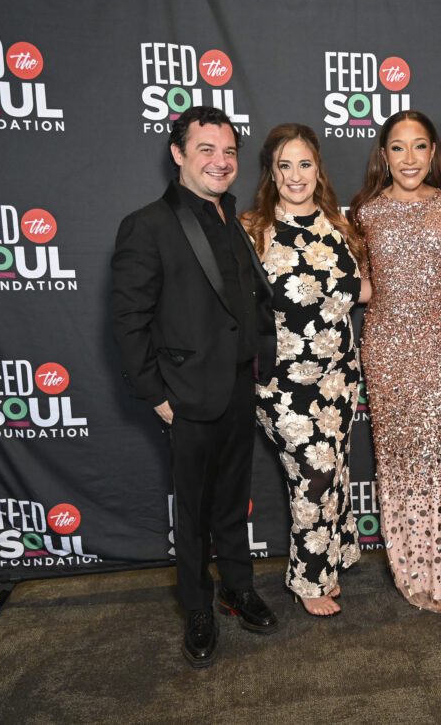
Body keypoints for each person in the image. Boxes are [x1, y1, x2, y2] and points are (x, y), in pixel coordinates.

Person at [109, 106, 278, 668]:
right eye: (206, 149)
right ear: (178, 154)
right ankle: (197, 605)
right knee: (194, 511)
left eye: (228, 151)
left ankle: (237, 587)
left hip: (238, 385)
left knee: (232, 500)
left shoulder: (236, 220)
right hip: (184, 394)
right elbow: (129, 321)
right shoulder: (148, 224)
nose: (220, 161)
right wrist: (158, 396)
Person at [349, 110, 441, 613]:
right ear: (382, 156)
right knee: (394, 459)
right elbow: (362, 284)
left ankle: (434, 568)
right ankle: (409, 566)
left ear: (434, 153)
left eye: (419, 147)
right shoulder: (364, 213)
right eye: (397, 147)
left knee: (431, 457)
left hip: (437, 347)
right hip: (385, 348)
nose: (409, 158)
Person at [241, 124, 369, 617]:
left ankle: (331, 559)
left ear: (319, 168)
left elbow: (365, 290)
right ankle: (308, 579)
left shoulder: (338, 223)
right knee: (313, 473)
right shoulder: (254, 228)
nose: (296, 176)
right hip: (283, 381)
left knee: (335, 469)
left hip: (338, 374)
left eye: (305, 164)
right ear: (271, 173)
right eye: (285, 166)